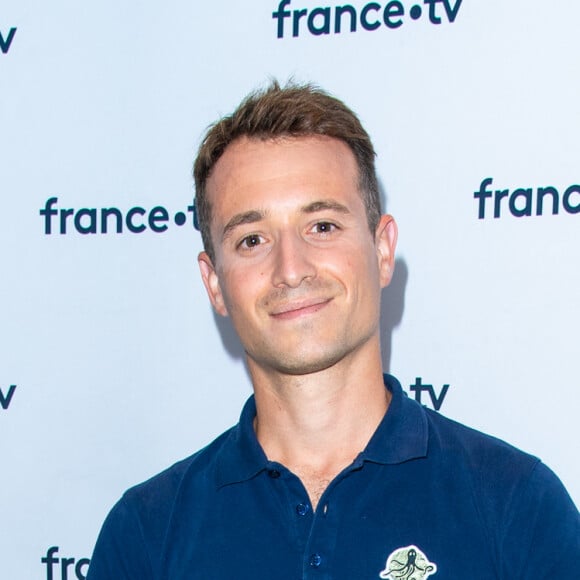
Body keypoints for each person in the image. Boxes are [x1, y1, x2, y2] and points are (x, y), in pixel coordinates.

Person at [87, 81, 578, 579]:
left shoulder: (518, 505)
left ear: (382, 250)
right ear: (214, 283)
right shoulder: (145, 534)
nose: (291, 268)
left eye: (322, 226)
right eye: (252, 239)